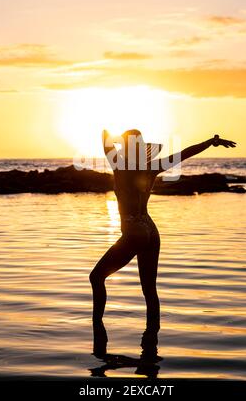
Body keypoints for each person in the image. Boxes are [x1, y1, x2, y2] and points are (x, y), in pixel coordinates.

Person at [90, 129, 236, 334]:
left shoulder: (119, 165)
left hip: (134, 229)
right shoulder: (152, 167)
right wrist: (211, 142)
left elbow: (104, 138)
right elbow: (184, 154)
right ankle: (152, 339)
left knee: (96, 278)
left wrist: (118, 140)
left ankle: (97, 328)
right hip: (150, 229)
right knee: (150, 290)